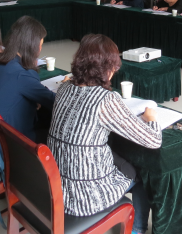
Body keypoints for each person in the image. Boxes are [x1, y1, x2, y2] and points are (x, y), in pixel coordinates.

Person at [48, 34, 162, 234]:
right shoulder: (105, 99)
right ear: (107, 68)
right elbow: (153, 140)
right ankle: (137, 229)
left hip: (58, 187)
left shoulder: (64, 87)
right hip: (86, 197)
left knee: (117, 156)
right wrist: (151, 119)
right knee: (142, 170)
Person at [0, 16, 58, 150]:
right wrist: (66, 86)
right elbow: (55, 102)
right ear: (31, 46)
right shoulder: (22, 75)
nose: (40, 49)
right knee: (56, 133)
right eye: (40, 45)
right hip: (3, 142)